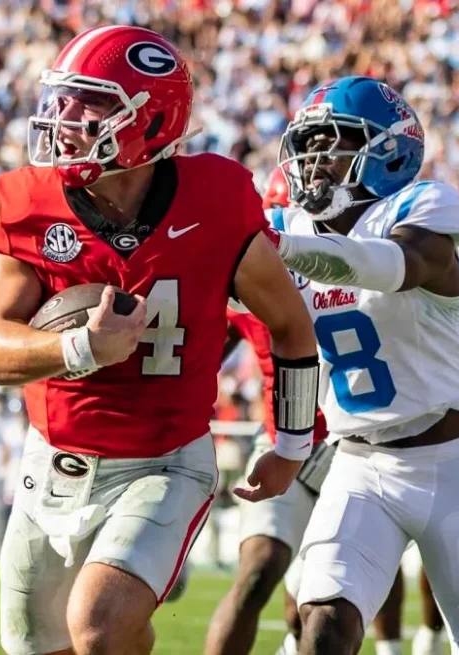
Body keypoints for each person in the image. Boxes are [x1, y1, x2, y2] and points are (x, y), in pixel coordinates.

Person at [0, 24, 319, 655]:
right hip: (50, 462)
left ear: (152, 121)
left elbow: (290, 323)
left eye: (91, 102)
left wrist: (292, 441)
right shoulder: (27, 200)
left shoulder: (218, 198)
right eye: (62, 98)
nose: (63, 117)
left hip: (164, 462)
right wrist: (81, 350)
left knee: (98, 626)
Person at [264, 75, 459, 655]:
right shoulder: (289, 228)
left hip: (451, 464)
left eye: (331, 144)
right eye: (307, 146)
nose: (313, 163)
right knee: (322, 629)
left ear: (387, 151)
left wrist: (276, 250)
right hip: (358, 463)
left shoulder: (424, 205)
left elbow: (394, 264)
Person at [204, 168, 330, 655]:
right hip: (284, 440)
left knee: (317, 609)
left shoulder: (358, 267)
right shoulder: (246, 274)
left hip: (356, 449)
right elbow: (209, 342)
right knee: (257, 571)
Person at [373, 241, 459, 655]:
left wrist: (445, 397)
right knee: (375, 553)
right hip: (370, 434)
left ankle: (430, 637)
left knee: (446, 548)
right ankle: (389, 647)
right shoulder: (363, 254)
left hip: (447, 435)